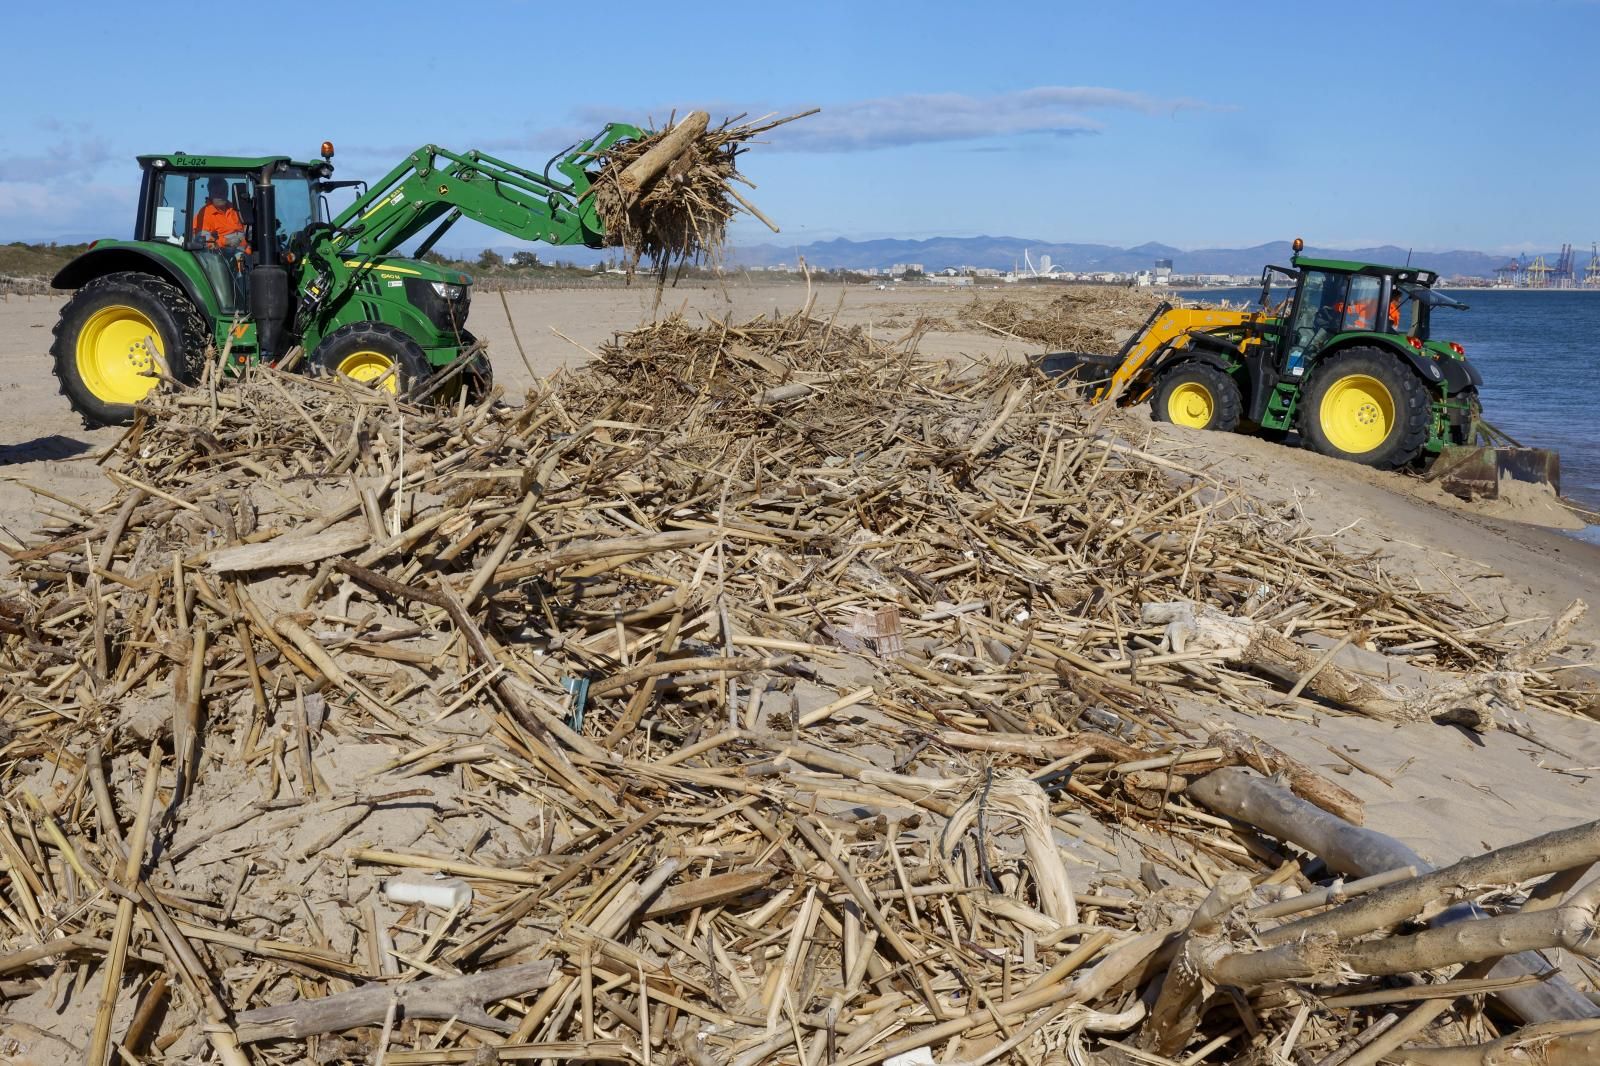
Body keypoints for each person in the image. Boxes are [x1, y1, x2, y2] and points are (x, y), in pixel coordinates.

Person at [194, 177, 249, 252]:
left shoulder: (236, 209)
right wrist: (226, 242)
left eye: (223, 192)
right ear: (210, 193)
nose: (220, 195)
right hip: (222, 257)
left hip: (245, 254)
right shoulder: (203, 214)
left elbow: (248, 227)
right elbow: (204, 241)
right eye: (217, 192)